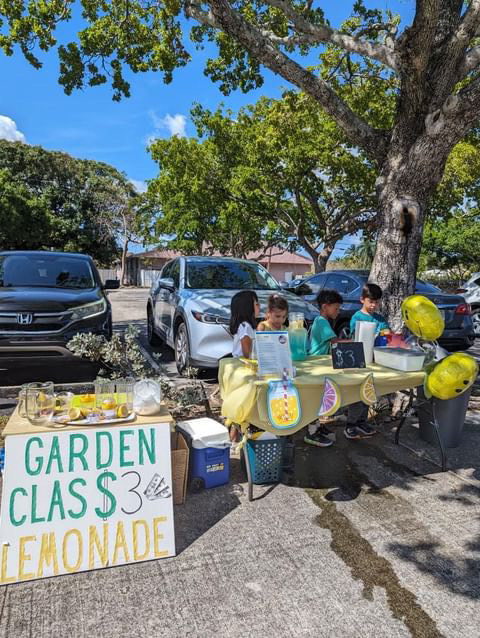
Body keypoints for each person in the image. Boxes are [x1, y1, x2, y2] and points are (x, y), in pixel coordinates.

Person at [344, 282, 390, 440]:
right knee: (358, 393)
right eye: (371, 301)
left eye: (377, 302)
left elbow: (386, 332)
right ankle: (351, 424)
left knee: (368, 391)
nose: (374, 305)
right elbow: (354, 336)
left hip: (375, 360)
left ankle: (362, 421)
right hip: (359, 360)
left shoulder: (379, 318)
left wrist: (385, 333)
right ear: (362, 300)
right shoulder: (357, 317)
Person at [304, 289, 343, 447]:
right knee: (314, 399)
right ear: (325, 307)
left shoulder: (322, 321)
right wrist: (355, 342)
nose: (338, 311)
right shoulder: (321, 321)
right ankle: (311, 432)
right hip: (315, 364)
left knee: (319, 397)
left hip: (320, 364)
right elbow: (335, 341)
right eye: (336, 308)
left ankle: (317, 427)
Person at [230, 290, 260, 359]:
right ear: (248, 307)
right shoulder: (245, 326)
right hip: (243, 364)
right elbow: (247, 353)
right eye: (256, 304)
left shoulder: (247, 325)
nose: (259, 306)